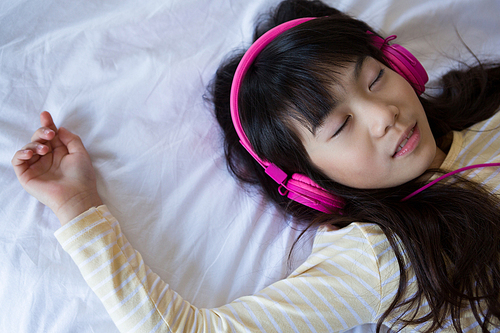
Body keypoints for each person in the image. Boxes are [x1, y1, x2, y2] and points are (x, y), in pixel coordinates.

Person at [11, 0, 500, 331]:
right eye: (338, 126)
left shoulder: (487, 110)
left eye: (374, 80)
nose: (382, 116)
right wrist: (77, 205)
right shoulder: (380, 257)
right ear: (311, 183)